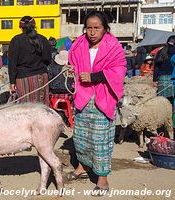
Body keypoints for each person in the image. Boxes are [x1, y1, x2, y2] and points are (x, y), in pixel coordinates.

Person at [67, 11, 126, 195]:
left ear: (105, 29)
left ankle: (102, 179)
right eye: (89, 28)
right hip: (83, 98)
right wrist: (71, 70)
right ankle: (83, 167)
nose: (92, 32)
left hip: (103, 97)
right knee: (81, 136)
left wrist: (95, 76)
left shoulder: (113, 45)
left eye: (96, 28)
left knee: (100, 139)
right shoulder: (79, 44)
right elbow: (73, 63)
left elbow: (120, 68)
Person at [8, 16, 51, 104]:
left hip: (24, 79)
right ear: (34, 25)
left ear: (21, 27)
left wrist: (12, 82)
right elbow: (48, 60)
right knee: (42, 107)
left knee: (26, 109)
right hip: (41, 77)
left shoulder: (16, 40)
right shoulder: (42, 39)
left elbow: (12, 63)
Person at [153, 35, 175, 105]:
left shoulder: (161, 51)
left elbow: (156, 66)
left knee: (162, 100)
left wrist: (155, 79)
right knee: (172, 100)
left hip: (162, 78)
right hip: (173, 78)